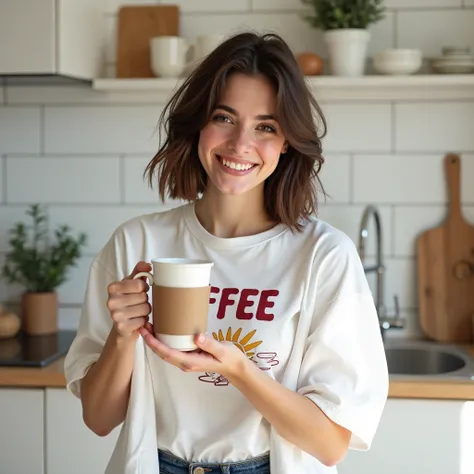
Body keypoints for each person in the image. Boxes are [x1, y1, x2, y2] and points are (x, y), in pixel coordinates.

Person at [64, 31, 389, 474]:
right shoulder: (135, 244)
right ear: (200, 122)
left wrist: (238, 369)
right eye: (224, 117)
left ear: (288, 140)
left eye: (266, 126)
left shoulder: (322, 255)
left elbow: (330, 444)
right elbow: (99, 419)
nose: (240, 144)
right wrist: (123, 336)